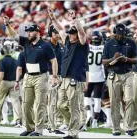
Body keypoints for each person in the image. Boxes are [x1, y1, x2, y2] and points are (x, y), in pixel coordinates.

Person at [48, 8, 89, 139]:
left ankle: (73, 132)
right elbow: (60, 30)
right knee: (60, 105)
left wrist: (75, 19)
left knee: (74, 106)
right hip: (64, 78)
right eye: (70, 33)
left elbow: (82, 33)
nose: (70, 35)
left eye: (73, 33)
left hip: (75, 79)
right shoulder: (67, 42)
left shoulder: (82, 44)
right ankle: (75, 124)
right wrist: (53, 18)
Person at [11, 23, 58, 136]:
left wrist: (54, 77)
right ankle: (29, 127)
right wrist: (8, 24)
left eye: (30, 32)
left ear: (37, 32)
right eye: (28, 32)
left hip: (41, 76)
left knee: (40, 104)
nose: (28, 34)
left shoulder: (46, 45)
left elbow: (54, 61)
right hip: (28, 76)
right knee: (26, 104)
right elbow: (15, 36)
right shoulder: (27, 42)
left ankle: (38, 130)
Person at [102, 23, 137, 136]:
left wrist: (126, 59)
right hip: (114, 74)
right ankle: (116, 128)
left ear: (125, 33)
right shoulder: (109, 43)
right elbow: (103, 62)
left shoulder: (131, 42)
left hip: (128, 73)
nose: (120, 36)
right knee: (114, 102)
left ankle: (128, 127)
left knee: (130, 99)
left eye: (122, 34)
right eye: (118, 34)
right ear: (114, 32)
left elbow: (136, 59)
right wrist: (114, 58)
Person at [0, 40, 22, 127]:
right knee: (16, 102)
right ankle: (18, 121)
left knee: (0, 102)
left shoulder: (2, 60)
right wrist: (17, 81)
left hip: (4, 82)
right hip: (14, 82)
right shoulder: (15, 60)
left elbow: (1, 74)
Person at [85, 31, 105, 128]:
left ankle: (89, 115)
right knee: (97, 99)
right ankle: (95, 122)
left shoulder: (87, 47)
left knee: (86, 98)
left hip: (87, 76)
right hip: (99, 76)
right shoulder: (103, 48)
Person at [47, 24, 65, 134]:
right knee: (52, 102)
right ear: (50, 34)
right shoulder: (46, 46)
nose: (58, 35)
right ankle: (52, 126)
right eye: (55, 33)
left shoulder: (61, 46)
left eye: (58, 33)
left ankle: (56, 124)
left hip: (61, 76)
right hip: (50, 76)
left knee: (59, 102)